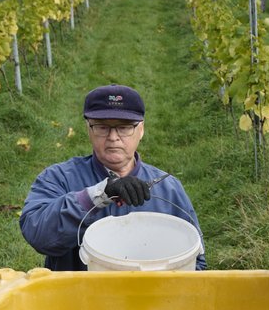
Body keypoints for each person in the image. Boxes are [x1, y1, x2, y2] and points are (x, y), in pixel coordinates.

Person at [20, 85, 205, 271]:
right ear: (89, 129)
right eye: (102, 127)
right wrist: (98, 195)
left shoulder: (168, 188)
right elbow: (37, 234)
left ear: (141, 130)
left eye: (124, 127)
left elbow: (196, 258)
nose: (113, 137)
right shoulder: (59, 178)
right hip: (79, 297)